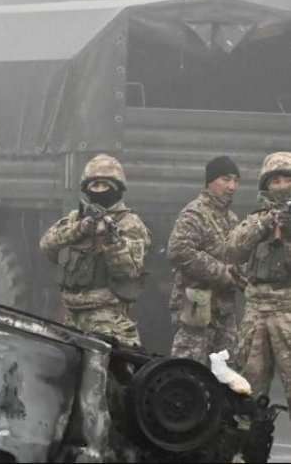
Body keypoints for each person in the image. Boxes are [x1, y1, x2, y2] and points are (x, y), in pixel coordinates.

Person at [40, 154, 150, 346]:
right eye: (94, 186)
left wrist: (110, 240)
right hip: (71, 317)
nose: (99, 190)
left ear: (117, 189)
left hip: (107, 318)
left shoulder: (129, 223)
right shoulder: (76, 219)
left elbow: (128, 270)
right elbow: (47, 245)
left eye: (105, 185)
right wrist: (79, 230)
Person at [227, 152, 291, 414]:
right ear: (265, 186)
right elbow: (233, 249)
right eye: (274, 181)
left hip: (288, 307)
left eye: (287, 180)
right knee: (248, 390)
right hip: (256, 312)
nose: (281, 186)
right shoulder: (256, 219)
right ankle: (245, 450)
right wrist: (266, 223)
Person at [168, 156, 244, 364]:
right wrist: (222, 273)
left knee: (227, 373)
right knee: (189, 370)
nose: (232, 186)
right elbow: (179, 250)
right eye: (226, 179)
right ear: (210, 181)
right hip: (197, 308)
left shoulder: (232, 219)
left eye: (236, 181)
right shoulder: (194, 214)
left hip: (224, 310)